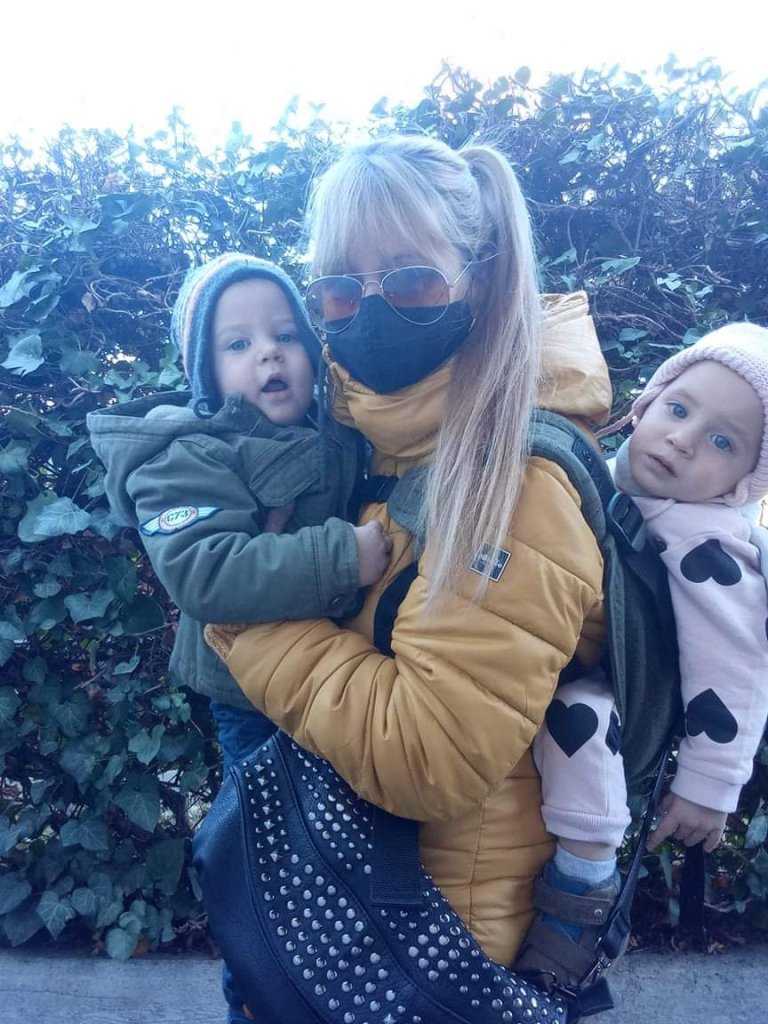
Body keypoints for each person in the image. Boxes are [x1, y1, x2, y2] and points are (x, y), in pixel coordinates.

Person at [204, 133, 613, 1002]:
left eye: (412, 279)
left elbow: (432, 753)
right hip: (346, 921)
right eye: (339, 289)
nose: (369, 310)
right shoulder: (375, 448)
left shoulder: (514, 480)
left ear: (483, 278)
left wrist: (246, 613)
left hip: (430, 952)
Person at [87, 253, 391, 1023]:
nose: (268, 355)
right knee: (270, 877)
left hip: (341, 685)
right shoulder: (186, 453)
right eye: (238, 343)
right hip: (255, 700)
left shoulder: (336, 431)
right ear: (204, 373)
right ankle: (254, 1005)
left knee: (343, 870)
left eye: (286, 335)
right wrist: (341, 558)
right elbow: (206, 571)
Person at [519, 323, 768, 988]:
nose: (683, 440)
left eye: (723, 442)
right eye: (679, 409)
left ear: (743, 482)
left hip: (632, 700)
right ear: (645, 405)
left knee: (580, 716)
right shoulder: (598, 474)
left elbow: (736, 664)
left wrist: (709, 784)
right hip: (582, 658)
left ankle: (583, 888)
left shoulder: (708, 538)